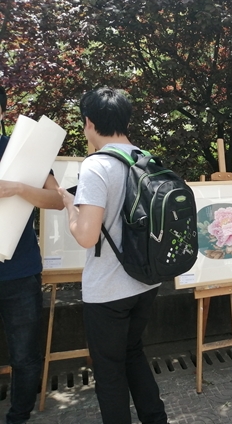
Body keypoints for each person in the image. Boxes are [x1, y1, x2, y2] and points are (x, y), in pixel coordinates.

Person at [59, 87, 168, 424]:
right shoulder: (145, 159)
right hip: (146, 280)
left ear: (89, 122)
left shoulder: (97, 166)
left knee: (109, 371)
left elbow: (86, 235)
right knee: (133, 353)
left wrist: (70, 207)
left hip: (108, 290)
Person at [0, 86, 64, 423]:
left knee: (24, 354)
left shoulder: (21, 149)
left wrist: (17, 188)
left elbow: (58, 200)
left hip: (19, 271)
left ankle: (19, 415)